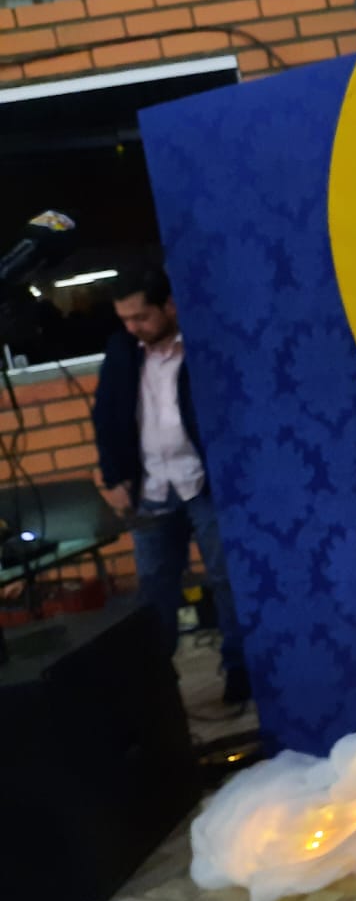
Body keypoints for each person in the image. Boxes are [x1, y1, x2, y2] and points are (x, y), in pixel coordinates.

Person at [91, 268, 250, 707]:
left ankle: (240, 671)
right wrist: (113, 477)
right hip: (151, 486)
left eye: (141, 317)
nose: (132, 327)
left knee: (226, 579)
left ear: (170, 306)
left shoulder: (201, 344)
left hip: (204, 482)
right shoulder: (122, 350)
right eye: (125, 319)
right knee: (154, 587)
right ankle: (157, 686)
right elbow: (106, 416)